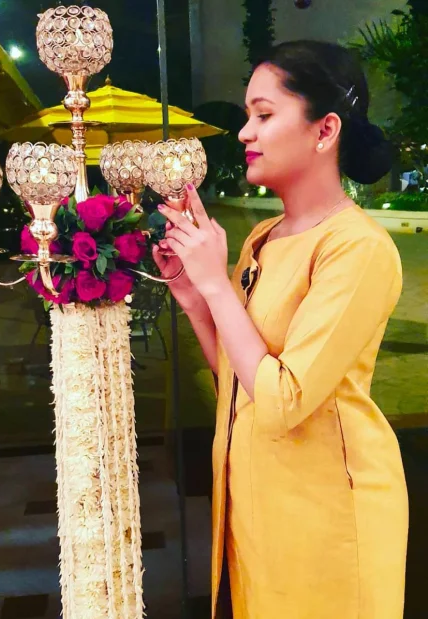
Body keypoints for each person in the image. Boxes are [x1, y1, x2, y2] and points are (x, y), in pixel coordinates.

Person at [153, 41, 408, 619]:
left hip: (327, 513)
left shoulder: (358, 248)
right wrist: (195, 296)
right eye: (249, 115)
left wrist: (218, 285)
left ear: (325, 130)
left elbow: (282, 401)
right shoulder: (263, 238)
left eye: (264, 115)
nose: (245, 132)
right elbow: (241, 379)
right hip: (256, 501)